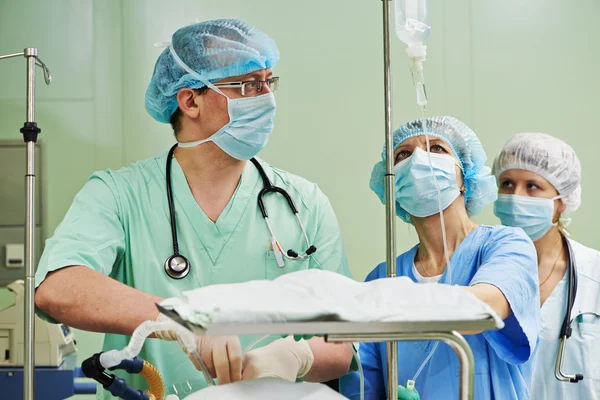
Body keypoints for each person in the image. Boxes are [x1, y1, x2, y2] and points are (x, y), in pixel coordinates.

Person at [34, 19, 353, 398]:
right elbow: (58, 289)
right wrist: (186, 319)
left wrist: (294, 354)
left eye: (269, 81)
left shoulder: (304, 203)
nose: (266, 96)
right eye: (249, 85)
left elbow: (343, 345)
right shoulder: (119, 194)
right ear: (190, 100)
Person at [340, 116, 541, 400]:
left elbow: (481, 309)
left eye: (436, 148)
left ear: (465, 177)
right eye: (403, 154)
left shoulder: (505, 245)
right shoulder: (382, 277)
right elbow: (362, 384)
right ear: (392, 185)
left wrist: (392, 301)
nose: (418, 159)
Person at [493, 132, 600, 400]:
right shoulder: (479, 271)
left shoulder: (594, 274)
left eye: (532, 186)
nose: (516, 196)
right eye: (507, 183)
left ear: (562, 200)